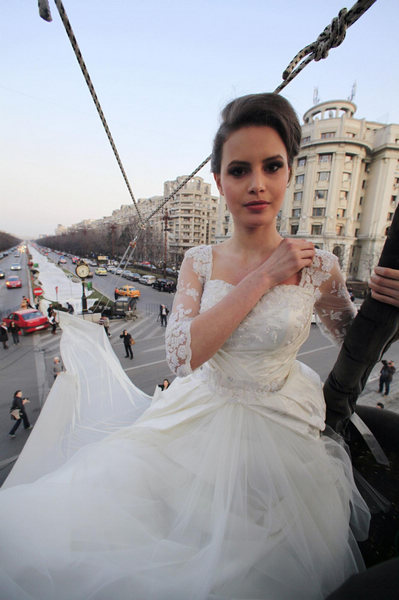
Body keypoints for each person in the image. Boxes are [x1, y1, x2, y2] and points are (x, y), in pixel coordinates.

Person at [1, 93, 399, 599]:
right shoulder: (200, 260)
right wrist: (265, 275)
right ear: (219, 181)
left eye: (272, 166)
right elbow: (183, 357)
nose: (257, 184)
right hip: (197, 425)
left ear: (289, 172)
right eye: (239, 170)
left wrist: (389, 310)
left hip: (287, 437)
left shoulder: (321, 266)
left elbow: (353, 339)